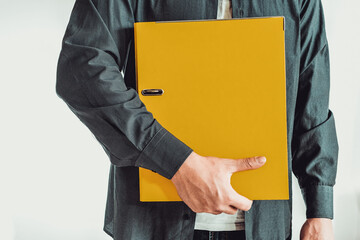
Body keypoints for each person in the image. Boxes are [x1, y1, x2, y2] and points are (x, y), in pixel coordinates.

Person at [55, 0, 339, 239]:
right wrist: (177, 162)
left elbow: (310, 89)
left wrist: (320, 208)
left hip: (264, 223)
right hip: (153, 222)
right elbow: (83, 64)